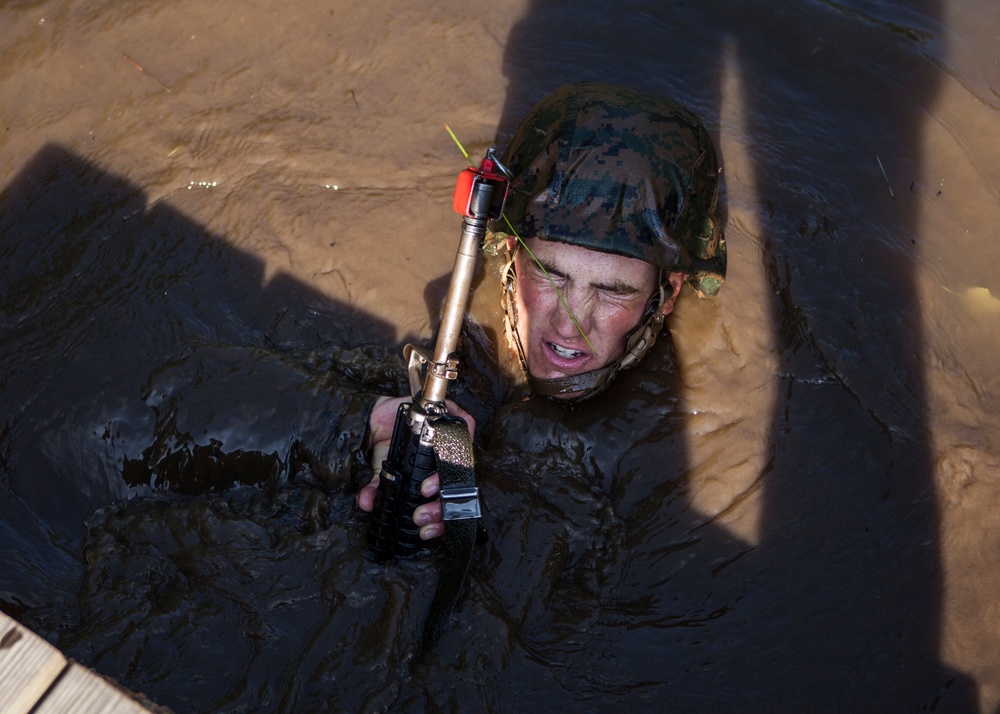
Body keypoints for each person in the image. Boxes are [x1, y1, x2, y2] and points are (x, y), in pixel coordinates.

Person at [356, 81, 726, 539]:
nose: (570, 324)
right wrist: (360, 425)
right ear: (511, 251)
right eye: (552, 276)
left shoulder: (704, 423)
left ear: (668, 295)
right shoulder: (442, 323)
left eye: (613, 291)